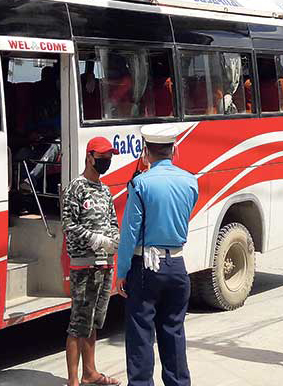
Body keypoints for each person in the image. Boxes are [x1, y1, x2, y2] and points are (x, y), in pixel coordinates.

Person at [115, 123, 199, 386]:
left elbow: (130, 233)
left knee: (140, 335)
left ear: (146, 152)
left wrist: (121, 272)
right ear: (174, 150)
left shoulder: (141, 184)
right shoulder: (190, 181)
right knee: (173, 333)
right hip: (176, 264)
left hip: (145, 268)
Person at [62, 137, 122, 386]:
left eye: (109, 158)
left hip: (104, 265)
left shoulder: (105, 190)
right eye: (102, 158)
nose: (106, 162)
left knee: (94, 321)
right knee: (78, 323)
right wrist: (95, 239)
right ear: (89, 157)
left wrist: (115, 240)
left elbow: (113, 223)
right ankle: (73, 380)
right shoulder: (76, 188)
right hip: (84, 265)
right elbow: (68, 225)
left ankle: (90, 373)